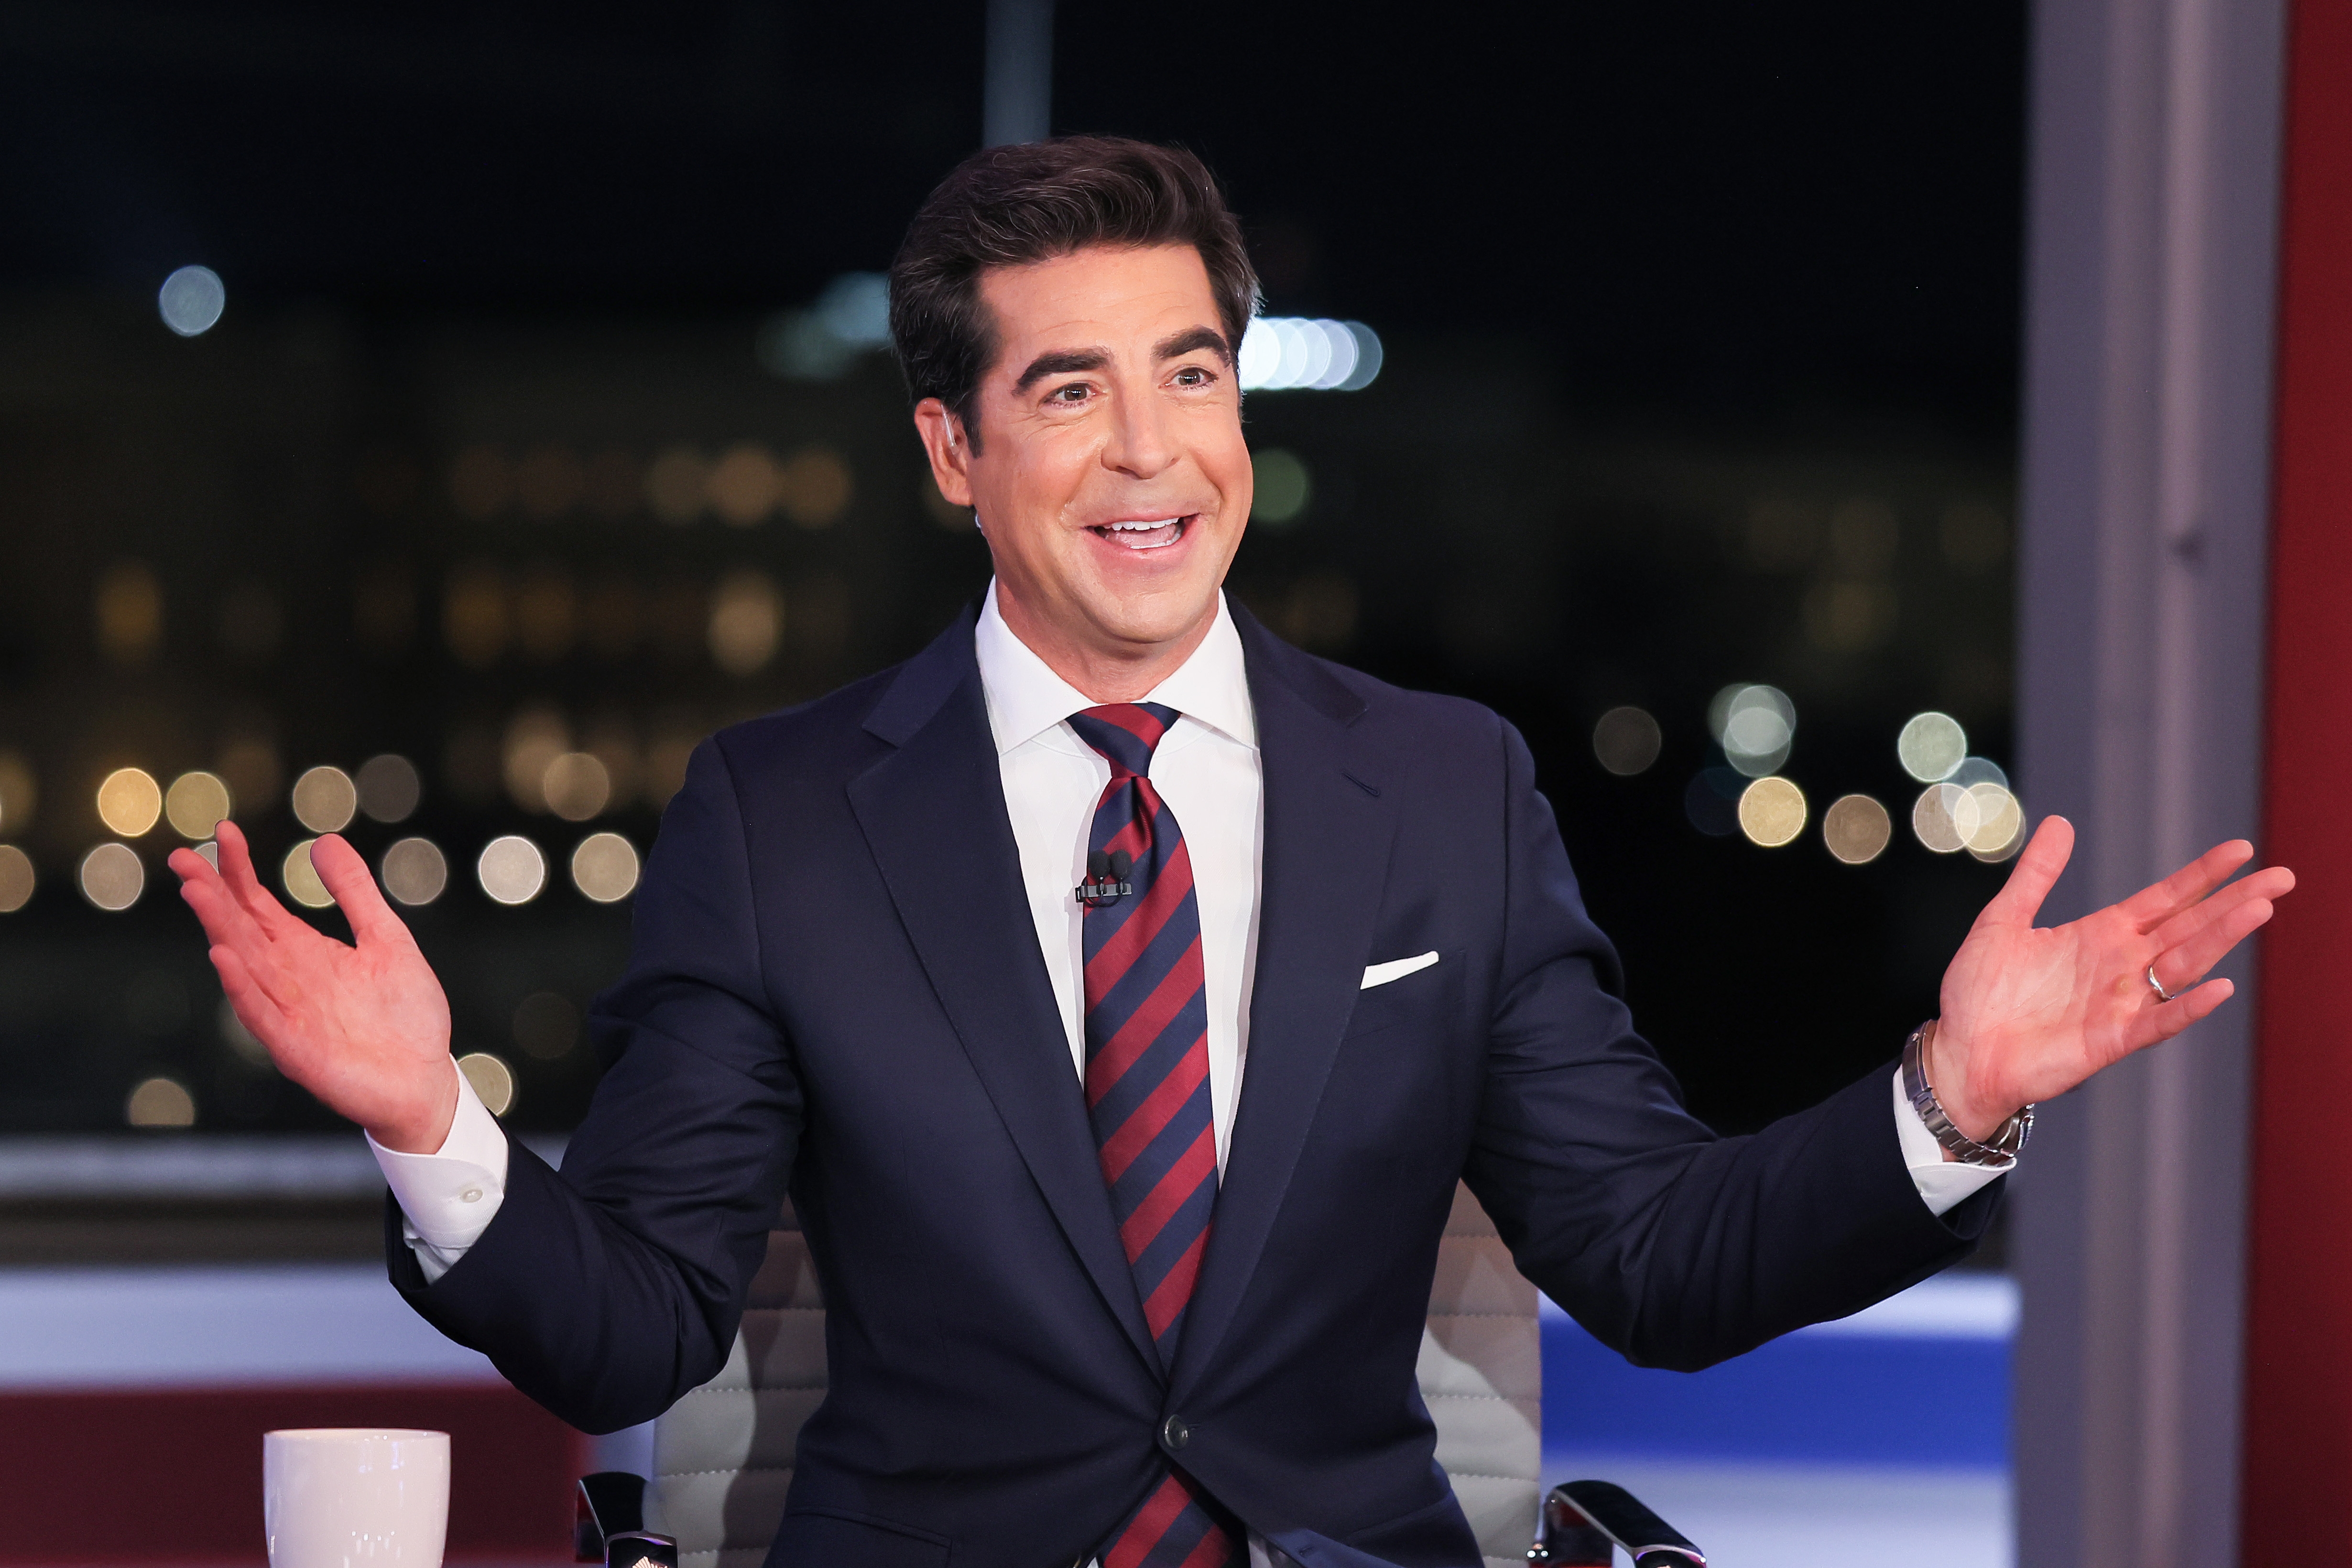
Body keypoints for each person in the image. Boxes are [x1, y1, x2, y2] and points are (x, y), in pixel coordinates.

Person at [169, 137, 2292, 1568]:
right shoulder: (787, 814)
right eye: (1072, 391)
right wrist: (431, 1122)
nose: (1151, 452)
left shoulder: (1444, 789)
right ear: (954, 452)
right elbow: (633, 1328)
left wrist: (1953, 1099)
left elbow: (1656, 1255)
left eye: (1191, 373)